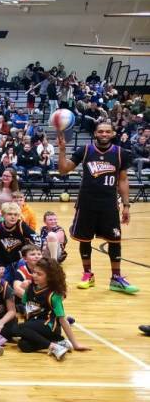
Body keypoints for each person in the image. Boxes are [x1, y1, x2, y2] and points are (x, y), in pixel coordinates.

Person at [57, 122, 137, 294]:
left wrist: (126, 206)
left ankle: (116, 278)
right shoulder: (85, 151)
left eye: (108, 131)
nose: (104, 134)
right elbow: (63, 170)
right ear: (95, 133)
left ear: (113, 133)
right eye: (101, 131)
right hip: (86, 203)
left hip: (109, 205)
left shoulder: (121, 153)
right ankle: (87, 274)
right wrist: (62, 150)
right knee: (85, 240)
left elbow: (122, 180)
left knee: (115, 240)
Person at [17, 258, 90, 360]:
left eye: (39, 274)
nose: (35, 276)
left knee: (20, 328)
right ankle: (59, 343)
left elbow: (62, 320)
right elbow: (24, 307)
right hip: (33, 325)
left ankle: (53, 346)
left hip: (49, 327)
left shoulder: (54, 295)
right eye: (34, 272)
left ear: (50, 277)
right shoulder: (29, 288)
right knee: (23, 345)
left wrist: (75, 344)